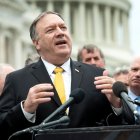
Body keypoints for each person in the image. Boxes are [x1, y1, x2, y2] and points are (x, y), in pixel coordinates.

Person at [0, 11, 122, 140]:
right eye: (50, 30)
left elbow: (124, 126)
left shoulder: (96, 76)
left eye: (63, 27)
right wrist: (25, 110)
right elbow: (2, 126)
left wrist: (117, 105)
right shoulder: (16, 79)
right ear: (37, 43)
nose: (60, 32)